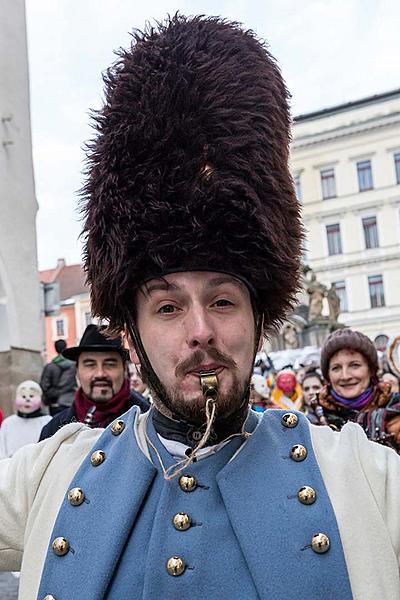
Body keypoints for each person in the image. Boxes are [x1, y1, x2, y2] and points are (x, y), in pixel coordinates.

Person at [2, 15, 400, 600]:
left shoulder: (364, 477)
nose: (200, 331)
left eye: (222, 300)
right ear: (131, 332)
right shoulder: (51, 473)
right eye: (166, 307)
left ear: (260, 318)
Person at [39, 324, 150, 440]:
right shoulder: (54, 430)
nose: (100, 373)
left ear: (125, 370)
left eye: (110, 364)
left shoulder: (147, 422)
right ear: (77, 372)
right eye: (90, 365)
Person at [309, 328, 400, 448]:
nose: (345, 376)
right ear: (328, 376)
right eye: (336, 368)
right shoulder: (312, 422)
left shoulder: (395, 411)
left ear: (371, 370)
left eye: (354, 365)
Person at [0, 380, 51, 458]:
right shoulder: (8, 423)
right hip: (12, 466)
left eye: (31, 396)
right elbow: (2, 450)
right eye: (23, 396)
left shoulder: (47, 421)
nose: (27, 400)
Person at [40, 339, 76, 415]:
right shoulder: (74, 365)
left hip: (54, 404)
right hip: (71, 402)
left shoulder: (50, 366)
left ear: (55, 349)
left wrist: (51, 396)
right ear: (66, 347)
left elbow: (44, 386)